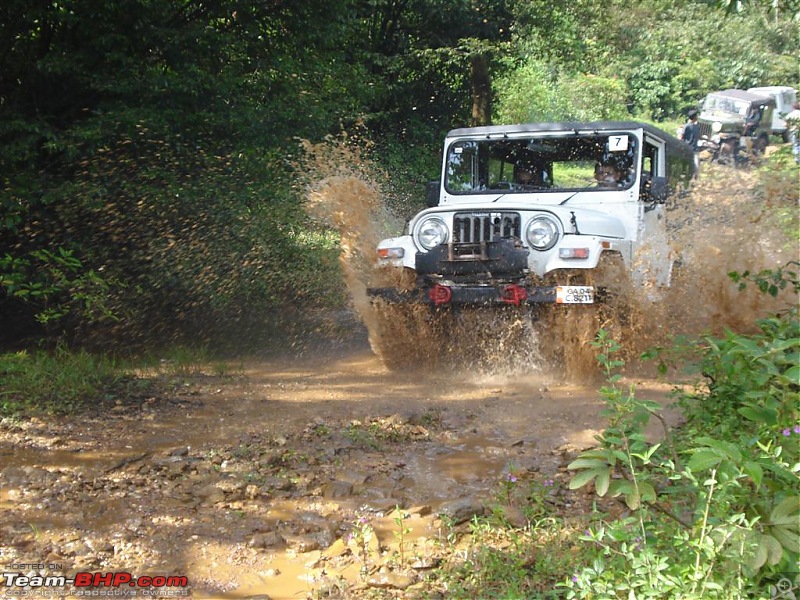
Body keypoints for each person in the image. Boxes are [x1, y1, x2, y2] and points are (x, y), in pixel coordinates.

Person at [681, 108, 700, 178]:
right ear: (694, 117)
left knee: (696, 165)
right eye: (696, 116)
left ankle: (694, 178)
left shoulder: (696, 126)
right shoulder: (687, 126)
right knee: (689, 164)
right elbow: (682, 137)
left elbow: (698, 136)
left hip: (694, 149)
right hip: (688, 148)